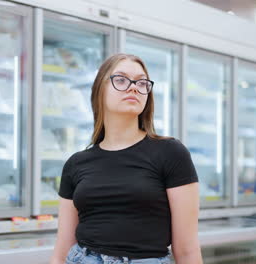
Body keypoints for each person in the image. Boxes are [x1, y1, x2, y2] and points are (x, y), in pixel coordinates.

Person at [50, 53, 203, 264]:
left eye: (141, 83)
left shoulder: (171, 152)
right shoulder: (76, 163)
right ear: (99, 90)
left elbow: (187, 251)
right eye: (120, 79)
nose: (133, 87)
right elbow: (61, 250)